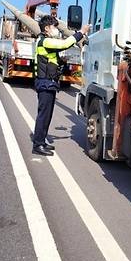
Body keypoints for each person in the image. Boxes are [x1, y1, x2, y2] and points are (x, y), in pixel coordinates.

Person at [32, 15, 89, 156]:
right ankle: (37, 145)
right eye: (54, 27)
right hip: (45, 83)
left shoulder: (44, 41)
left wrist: (61, 61)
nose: (56, 29)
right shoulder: (45, 41)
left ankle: (42, 141)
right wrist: (81, 32)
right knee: (43, 116)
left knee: (47, 115)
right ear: (47, 28)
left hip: (49, 83)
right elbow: (64, 44)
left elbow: (49, 59)